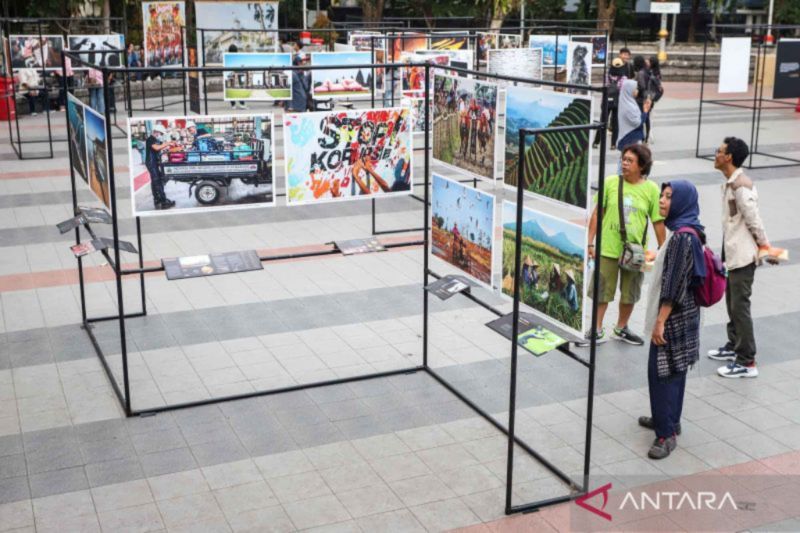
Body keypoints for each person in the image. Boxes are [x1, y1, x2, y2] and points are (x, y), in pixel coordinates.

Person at [640, 180, 705, 459]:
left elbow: (674, 283)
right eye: (662, 196)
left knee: (661, 372)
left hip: (673, 316)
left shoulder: (680, 237)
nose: (663, 202)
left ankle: (665, 435)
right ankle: (669, 418)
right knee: (676, 369)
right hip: (687, 313)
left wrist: (660, 321)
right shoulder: (691, 230)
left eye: (668, 197)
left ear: (681, 202)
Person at [583, 144, 666, 345]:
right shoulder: (611, 183)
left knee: (630, 292)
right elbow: (597, 213)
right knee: (601, 291)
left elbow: (657, 222)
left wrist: (663, 250)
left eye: (630, 160)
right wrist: (590, 242)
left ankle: (621, 327)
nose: (624, 163)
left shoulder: (651, 189)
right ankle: (596, 329)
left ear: (642, 166)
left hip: (635, 252)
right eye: (623, 159)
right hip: (608, 248)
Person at [708, 137, 774, 378]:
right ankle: (734, 345)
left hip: (744, 255)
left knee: (739, 306)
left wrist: (765, 247)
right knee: (731, 303)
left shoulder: (741, 186)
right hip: (733, 251)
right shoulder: (731, 182)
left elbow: (754, 220)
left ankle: (747, 360)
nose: (715, 153)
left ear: (729, 158)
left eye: (720, 151)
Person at [145, 124, 176, 210]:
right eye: (160, 133)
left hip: (154, 162)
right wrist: (168, 143)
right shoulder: (150, 139)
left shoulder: (156, 139)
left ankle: (157, 199)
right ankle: (164, 201)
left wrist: (170, 145)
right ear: (156, 131)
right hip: (151, 162)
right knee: (157, 181)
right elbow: (156, 148)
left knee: (155, 181)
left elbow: (162, 146)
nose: (160, 135)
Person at [617, 80, 652, 151]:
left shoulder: (627, 102)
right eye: (635, 88)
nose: (637, 90)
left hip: (630, 138)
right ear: (629, 90)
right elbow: (637, 123)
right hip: (631, 139)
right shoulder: (629, 107)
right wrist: (645, 112)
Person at [644, 56, 663, 144]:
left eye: (649, 61)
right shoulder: (654, 72)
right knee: (648, 116)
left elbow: (659, 87)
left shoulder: (654, 74)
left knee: (647, 116)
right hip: (650, 96)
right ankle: (648, 134)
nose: (647, 61)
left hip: (649, 96)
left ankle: (649, 134)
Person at [228, 44, 246, 110]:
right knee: (240, 88)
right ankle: (242, 103)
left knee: (231, 88)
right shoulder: (238, 57)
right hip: (238, 75)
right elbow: (241, 65)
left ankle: (233, 105)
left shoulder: (227, 57)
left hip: (232, 75)